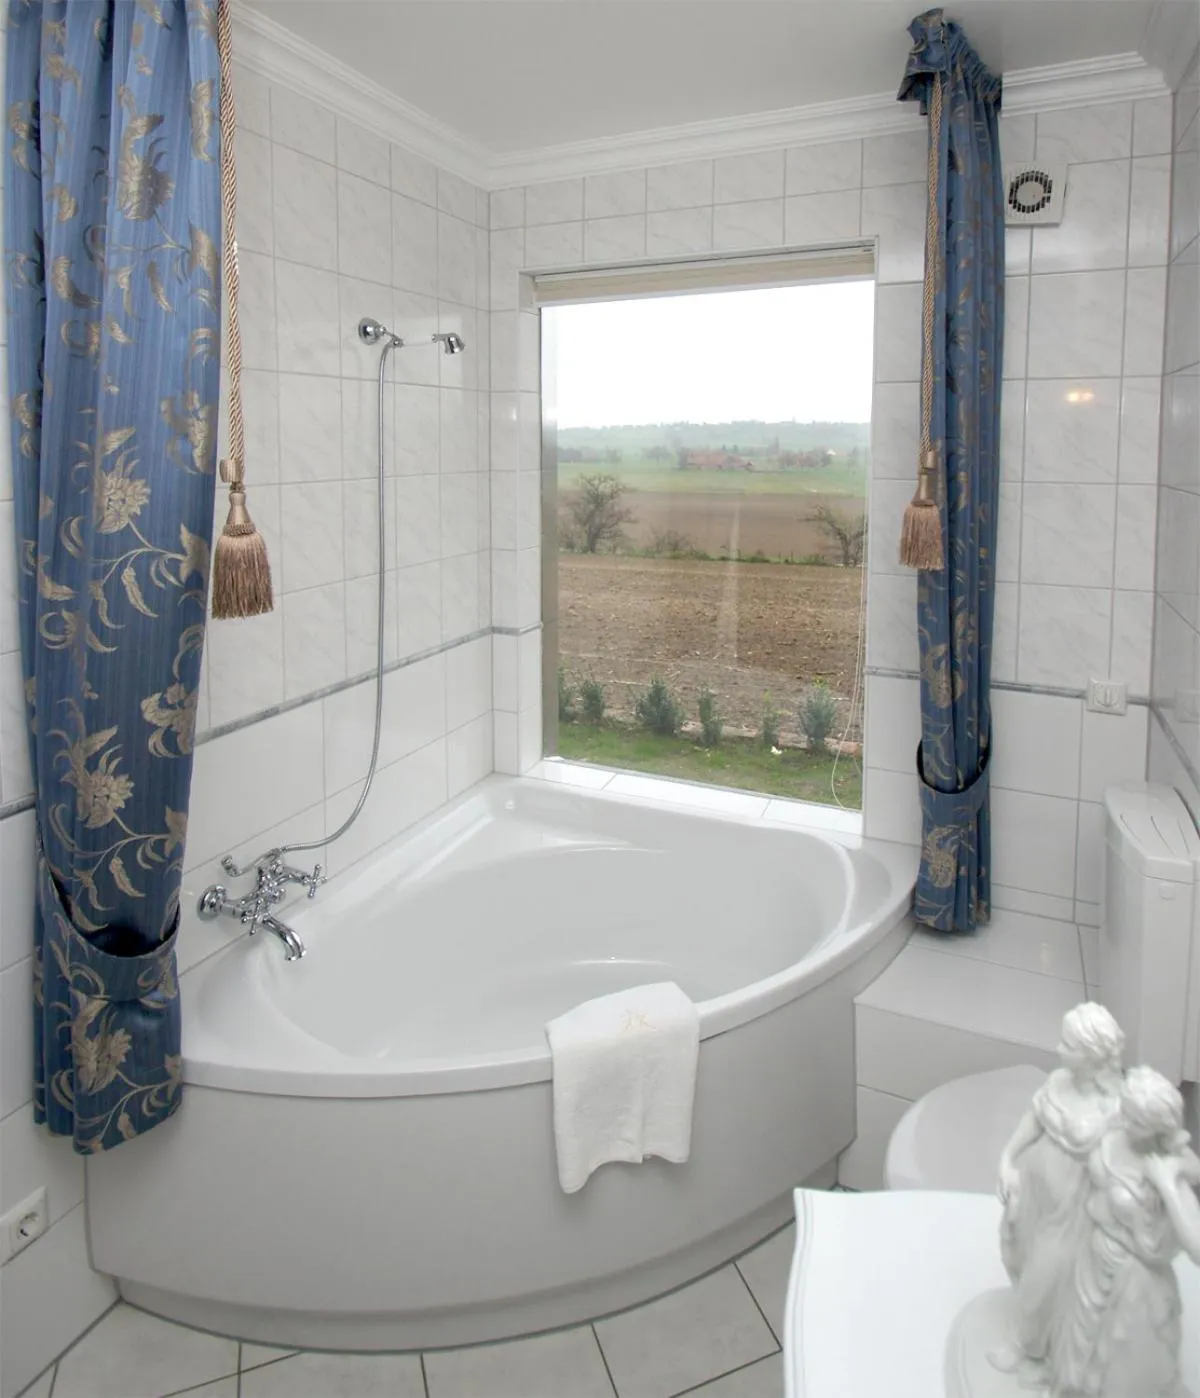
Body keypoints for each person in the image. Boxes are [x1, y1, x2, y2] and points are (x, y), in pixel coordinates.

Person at [992, 1004, 1126, 1378]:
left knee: (1046, 1277)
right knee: (1019, 1257)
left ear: (1092, 1054)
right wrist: (1008, 1158)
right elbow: (1033, 1119)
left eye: (1068, 1044)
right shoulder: (1059, 1081)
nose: (1058, 1049)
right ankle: (1037, 1346)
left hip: (1072, 1210)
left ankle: (1030, 1350)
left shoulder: (1114, 1108)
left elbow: (1120, 1169)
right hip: (1036, 1190)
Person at [1052, 1066, 1200, 1397]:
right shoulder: (1115, 1134)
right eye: (1126, 1111)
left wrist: (1168, 1186)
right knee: (1080, 1347)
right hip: (1094, 1258)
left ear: (1156, 1127)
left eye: (1135, 1120)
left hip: (1137, 1280)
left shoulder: (1168, 1166)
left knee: (1122, 1365)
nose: (1124, 1121)